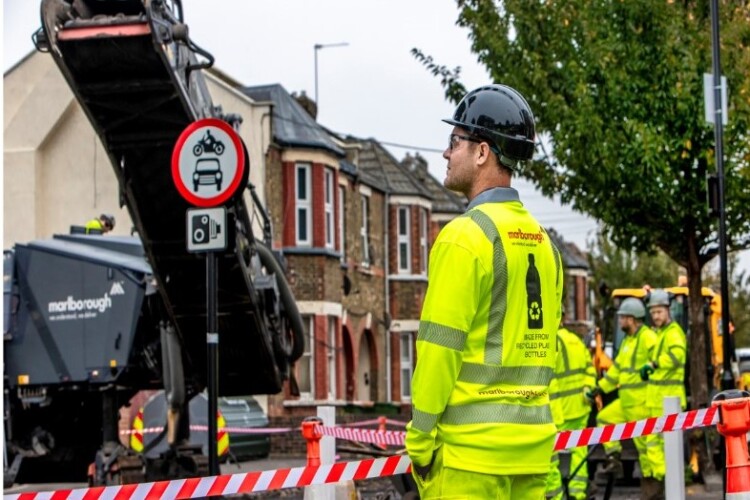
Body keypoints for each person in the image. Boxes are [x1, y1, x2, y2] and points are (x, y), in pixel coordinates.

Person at [405, 84, 564, 499]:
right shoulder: (544, 245)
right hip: (532, 457)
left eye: (454, 141)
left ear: (481, 152)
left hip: (469, 461)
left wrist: (420, 443)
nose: (446, 153)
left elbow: (439, 349)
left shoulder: (464, 238)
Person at [586, 298, 656, 487]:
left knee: (644, 447)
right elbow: (616, 371)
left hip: (640, 403)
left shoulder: (647, 337)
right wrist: (599, 388)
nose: (620, 321)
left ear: (632, 319)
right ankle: (614, 458)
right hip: (626, 402)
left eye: (622, 317)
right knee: (604, 419)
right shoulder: (628, 341)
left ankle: (652, 483)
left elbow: (658, 358)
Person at [639, 289, 687, 499]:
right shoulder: (660, 334)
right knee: (655, 444)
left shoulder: (673, 333)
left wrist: (655, 364)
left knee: (663, 446)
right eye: (653, 312)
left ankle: (664, 484)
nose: (656, 316)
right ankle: (661, 483)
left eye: (659, 312)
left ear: (668, 311)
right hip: (658, 399)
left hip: (668, 399)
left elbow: (677, 356)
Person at [546, 317, 597, 500]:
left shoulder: (547, 342)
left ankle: (556, 496)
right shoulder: (575, 340)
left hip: (558, 412)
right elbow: (591, 369)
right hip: (579, 407)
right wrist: (587, 389)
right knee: (578, 453)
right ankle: (577, 493)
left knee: (552, 460)